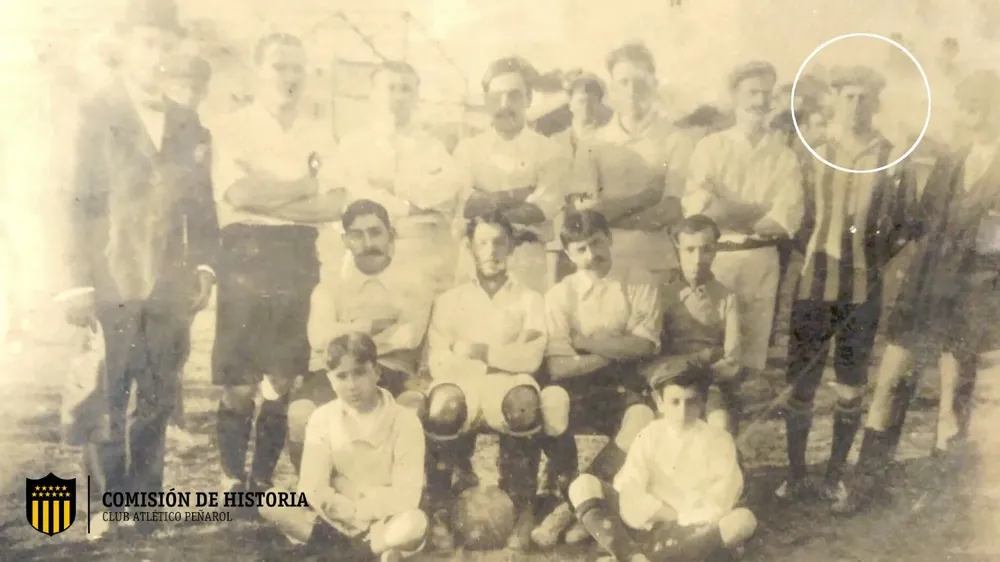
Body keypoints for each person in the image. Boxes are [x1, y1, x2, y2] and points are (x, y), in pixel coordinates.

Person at [59, 0, 219, 539]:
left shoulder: (188, 121)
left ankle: (142, 504)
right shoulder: (96, 112)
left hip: (170, 284)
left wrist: (203, 265)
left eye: (166, 45)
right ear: (125, 49)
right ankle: (106, 506)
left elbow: (202, 205)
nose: (157, 55)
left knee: (156, 397)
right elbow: (77, 202)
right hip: (112, 278)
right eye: (147, 43)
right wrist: (77, 281)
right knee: (109, 394)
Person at [838, 69, 1000, 514]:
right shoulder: (950, 159)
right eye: (967, 106)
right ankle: (866, 486)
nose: (974, 115)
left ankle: (941, 499)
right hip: (926, 286)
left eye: (983, 106)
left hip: (973, 292)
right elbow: (920, 221)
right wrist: (898, 182)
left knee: (952, 396)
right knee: (891, 381)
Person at [210, 32, 346, 496]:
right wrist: (302, 186)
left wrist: (273, 195)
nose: (289, 78)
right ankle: (231, 475)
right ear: (257, 71)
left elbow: (334, 202)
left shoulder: (317, 132)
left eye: (296, 68)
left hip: (296, 256)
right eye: (279, 67)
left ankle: (262, 478)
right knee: (239, 378)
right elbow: (238, 194)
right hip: (245, 255)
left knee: (283, 376)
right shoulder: (232, 126)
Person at [776, 65, 911, 507]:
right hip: (813, 285)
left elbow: (903, 224)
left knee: (850, 386)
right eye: (848, 96)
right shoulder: (813, 150)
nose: (856, 106)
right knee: (801, 384)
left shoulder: (891, 155)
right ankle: (796, 474)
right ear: (834, 100)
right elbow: (799, 216)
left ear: (876, 103)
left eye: (864, 98)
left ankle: (834, 474)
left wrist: (870, 261)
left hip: (861, 290)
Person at [421, 210, 569, 551]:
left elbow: (530, 358)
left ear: (511, 248)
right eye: (483, 243)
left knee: (522, 402)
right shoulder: (450, 301)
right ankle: (443, 507)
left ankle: (521, 507)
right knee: (443, 403)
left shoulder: (530, 299)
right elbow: (439, 359)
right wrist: (494, 359)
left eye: (500, 242)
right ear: (471, 248)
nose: (491, 250)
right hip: (464, 384)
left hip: (509, 384)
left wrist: (478, 351)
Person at [531, 209, 660, 550]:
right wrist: (616, 350)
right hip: (576, 386)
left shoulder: (639, 280)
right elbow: (559, 367)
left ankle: (573, 509)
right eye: (581, 250)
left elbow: (645, 345)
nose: (592, 256)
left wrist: (585, 343)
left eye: (597, 244)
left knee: (642, 419)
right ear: (569, 254)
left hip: (624, 384)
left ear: (610, 238)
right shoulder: (560, 295)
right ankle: (567, 497)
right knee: (552, 405)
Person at [289, 199, 432, 470]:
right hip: (335, 375)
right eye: (357, 234)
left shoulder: (414, 281)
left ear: (391, 235)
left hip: (391, 372)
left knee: (407, 410)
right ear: (345, 241)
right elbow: (318, 337)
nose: (368, 242)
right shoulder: (331, 284)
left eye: (376, 232)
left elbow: (408, 338)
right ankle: (314, 493)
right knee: (300, 414)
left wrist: (344, 335)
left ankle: (399, 494)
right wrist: (367, 325)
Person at [260, 333, 428, 562]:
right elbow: (312, 487)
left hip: (383, 520)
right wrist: (343, 508)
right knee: (272, 501)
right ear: (330, 379)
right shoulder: (323, 417)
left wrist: (358, 503)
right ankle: (359, 554)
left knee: (413, 523)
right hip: (334, 519)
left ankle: (341, 554)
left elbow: (407, 496)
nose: (352, 386)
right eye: (341, 376)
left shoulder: (404, 421)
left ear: (377, 372)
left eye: (360, 373)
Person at [682, 60, 804, 376]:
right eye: (752, 92)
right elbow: (698, 214)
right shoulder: (710, 147)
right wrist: (756, 210)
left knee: (749, 364)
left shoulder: (784, 156)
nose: (760, 101)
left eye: (766, 94)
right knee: (708, 354)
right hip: (715, 260)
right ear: (734, 95)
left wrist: (726, 206)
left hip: (760, 262)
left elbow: (783, 221)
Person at [566, 365, 757, 562]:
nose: (683, 412)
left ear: (703, 402)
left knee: (742, 521)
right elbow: (630, 486)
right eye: (675, 402)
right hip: (648, 522)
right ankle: (634, 556)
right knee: (583, 485)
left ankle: (647, 557)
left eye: (691, 402)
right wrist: (658, 512)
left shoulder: (719, 440)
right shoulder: (650, 434)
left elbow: (722, 498)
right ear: (660, 403)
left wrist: (682, 517)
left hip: (691, 530)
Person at [572, 41, 697, 287]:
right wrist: (642, 199)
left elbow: (671, 210)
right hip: (604, 263)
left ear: (654, 85)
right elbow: (586, 214)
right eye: (624, 82)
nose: (632, 91)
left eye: (640, 83)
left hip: (657, 263)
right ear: (611, 88)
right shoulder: (592, 143)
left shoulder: (676, 139)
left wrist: (609, 216)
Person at [337, 61, 465, 296]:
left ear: (416, 96)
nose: (398, 97)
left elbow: (447, 194)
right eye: (390, 88)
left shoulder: (431, 146)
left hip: (425, 255)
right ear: (373, 94)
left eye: (406, 89)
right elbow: (362, 201)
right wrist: (415, 208)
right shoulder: (354, 143)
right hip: (372, 254)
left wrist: (394, 186)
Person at [453, 56, 570, 294]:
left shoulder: (550, 151)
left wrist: (487, 198)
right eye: (496, 97)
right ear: (486, 101)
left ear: (528, 99)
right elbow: (465, 203)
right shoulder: (467, 150)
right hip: (475, 258)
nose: (505, 104)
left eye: (514, 95)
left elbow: (542, 208)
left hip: (526, 260)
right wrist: (520, 194)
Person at [646, 215, 743, 435]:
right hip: (668, 384)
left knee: (719, 423)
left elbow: (733, 362)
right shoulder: (661, 294)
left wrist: (699, 375)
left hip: (710, 384)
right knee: (662, 428)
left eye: (706, 249)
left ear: (716, 249)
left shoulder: (726, 297)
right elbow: (650, 353)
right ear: (677, 248)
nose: (698, 258)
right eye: (689, 250)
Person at [161, 51, 213, 444]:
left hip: (183, 254)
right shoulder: (152, 128)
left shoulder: (201, 133)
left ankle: (172, 418)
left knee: (178, 340)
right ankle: (162, 419)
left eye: (197, 85)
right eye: (181, 82)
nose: (189, 91)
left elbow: (202, 202)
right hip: (150, 251)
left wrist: (202, 263)